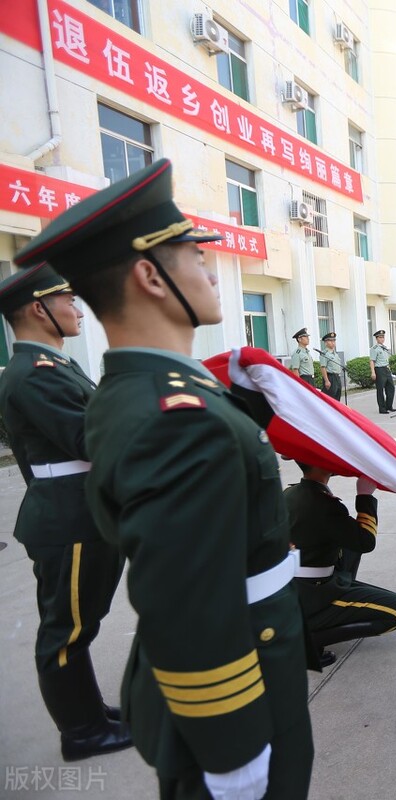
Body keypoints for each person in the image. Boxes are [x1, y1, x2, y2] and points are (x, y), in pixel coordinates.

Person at [15, 159, 313, 797]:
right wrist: (235, 758)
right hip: (238, 690)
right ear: (150, 275)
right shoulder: (177, 418)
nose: (210, 271)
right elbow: (189, 610)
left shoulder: (143, 387)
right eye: (193, 256)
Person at [0, 264, 131, 761]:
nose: (77, 310)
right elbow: (92, 439)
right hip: (69, 521)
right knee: (66, 631)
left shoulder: (54, 364)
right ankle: (81, 732)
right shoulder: (34, 374)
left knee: (80, 624)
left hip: (81, 514)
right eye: (69, 301)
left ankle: (91, 713)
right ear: (39, 308)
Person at [284, 463, 396, 667]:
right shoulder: (323, 505)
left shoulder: (291, 492)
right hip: (312, 592)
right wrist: (365, 496)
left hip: (294, 583)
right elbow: (366, 541)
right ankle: (306, 641)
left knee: (349, 545)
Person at [370, 329, 396, 414]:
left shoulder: (384, 348)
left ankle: (389, 406)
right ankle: (382, 408)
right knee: (380, 390)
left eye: (383, 337)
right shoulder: (374, 349)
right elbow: (372, 361)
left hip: (386, 369)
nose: (382, 339)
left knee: (391, 387)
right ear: (377, 338)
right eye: (380, 337)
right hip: (379, 369)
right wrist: (373, 372)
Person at [318, 331, 346, 402]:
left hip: (337, 377)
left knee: (337, 397)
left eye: (334, 340)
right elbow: (323, 367)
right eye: (330, 341)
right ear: (326, 342)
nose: (333, 342)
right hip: (330, 377)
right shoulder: (324, 354)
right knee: (330, 399)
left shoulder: (335, 353)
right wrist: (327, 381)